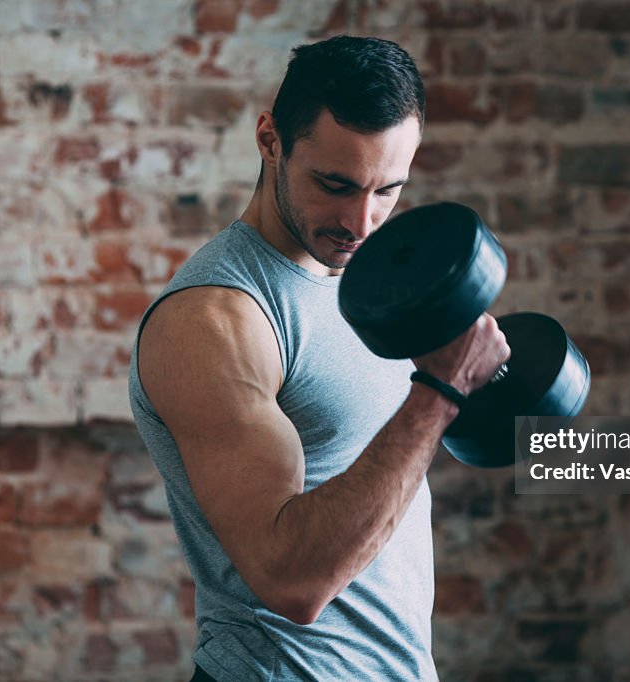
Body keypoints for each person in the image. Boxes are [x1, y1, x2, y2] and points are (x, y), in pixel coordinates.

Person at [128, 35, 510, 681]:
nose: (361, 222)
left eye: (387, 189)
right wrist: (439, 389)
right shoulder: (216, 320)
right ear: (270, 140)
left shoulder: (365, 287)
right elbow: (291, 579)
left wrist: (474, 385)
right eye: (335, 185)